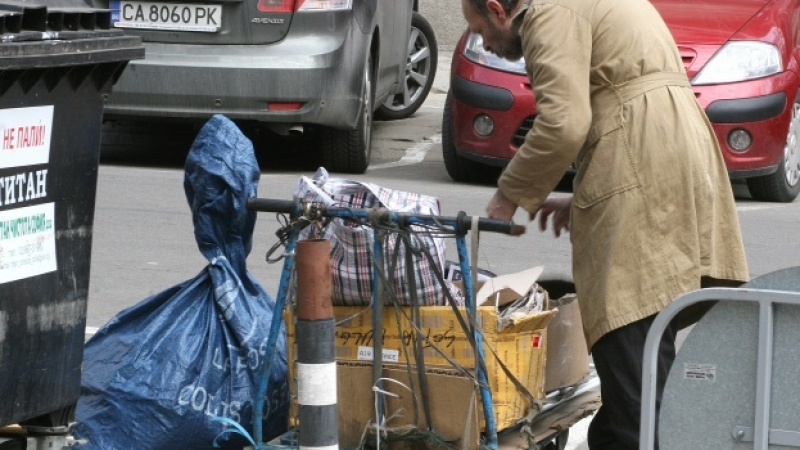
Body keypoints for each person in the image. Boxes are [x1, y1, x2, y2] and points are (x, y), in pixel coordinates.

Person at [460, 0, 750, 448]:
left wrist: (507, 197)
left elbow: (564, 123)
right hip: (669, 147)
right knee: (646, 342)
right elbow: (625, 106)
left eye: (479, 29)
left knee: (627, 328)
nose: (485, 44)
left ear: (498, 9)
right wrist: (585, 199)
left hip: (645, 152)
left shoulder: (547, 12)